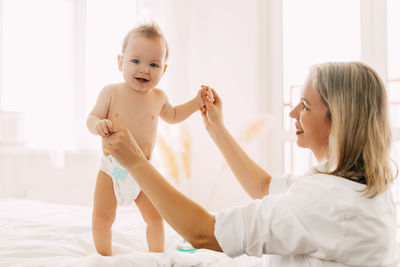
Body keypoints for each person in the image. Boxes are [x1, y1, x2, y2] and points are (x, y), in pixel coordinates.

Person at [102, 62, 398, 266]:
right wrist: (217, 129)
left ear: (340, 121)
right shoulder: (355, 184)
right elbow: (265, 187)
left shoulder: (326, 200)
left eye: (305, 106)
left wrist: (137, 164)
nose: (293, 112)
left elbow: (203, 233)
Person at [87, 22, 209, 256]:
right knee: (102, 217)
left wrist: (196, 103)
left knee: (154, 217)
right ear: (120, 62)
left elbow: (173, 116)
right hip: (112, 168)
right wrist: (98, 125)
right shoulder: (111, 92)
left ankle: (157, 256)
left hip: (143, 169)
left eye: (154, 64)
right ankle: (104, 257)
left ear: (163, 70)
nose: (144, 69)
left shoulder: (158, 97)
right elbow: (91, 118)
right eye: (135, 61)